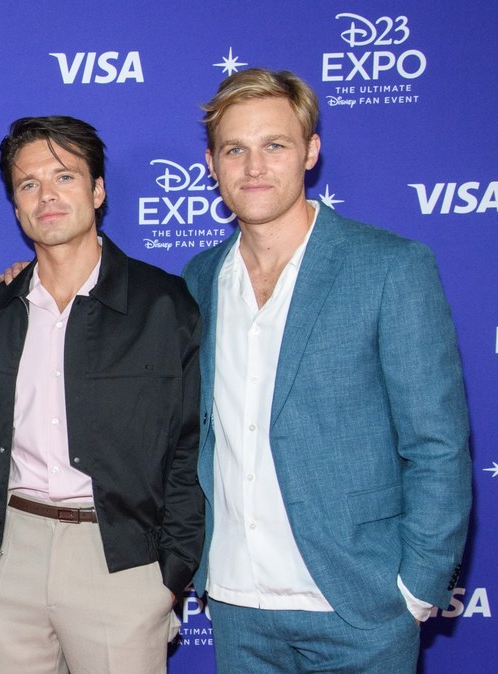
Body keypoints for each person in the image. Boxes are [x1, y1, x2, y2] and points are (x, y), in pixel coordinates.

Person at [182, 68, 471, 672]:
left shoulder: (391, 267)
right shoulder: (199, 280)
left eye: (275, 145)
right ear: (211, 163)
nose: (253, 167)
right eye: (235, 149)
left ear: (311, 151)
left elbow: (437, 445)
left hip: (358, 605)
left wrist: (417, 587)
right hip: (237, 605)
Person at [0, 116, 202, 674]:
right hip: (5, 559)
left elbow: (190, 447)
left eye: (64, 177)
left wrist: (171, 573)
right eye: (28, 184)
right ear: (16, 206)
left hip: (120, 562)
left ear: (97, 190)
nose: (47, 196)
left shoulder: (164, 307)